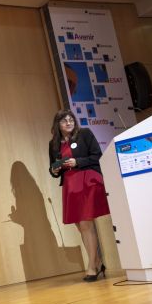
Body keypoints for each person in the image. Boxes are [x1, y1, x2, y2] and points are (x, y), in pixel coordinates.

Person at [49, 109, 110, 282]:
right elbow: (53, 168)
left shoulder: (85, 134)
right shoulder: (53, 144)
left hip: (87, 180)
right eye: (64, 121)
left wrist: (78, 162)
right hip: (70, 184)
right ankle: (97, 262)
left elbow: (97, 156)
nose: (68, 123)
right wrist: (54, 170)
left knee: (85, 224)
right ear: (58, 125)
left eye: (71, 119)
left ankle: (91, 267)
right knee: (81, 226)